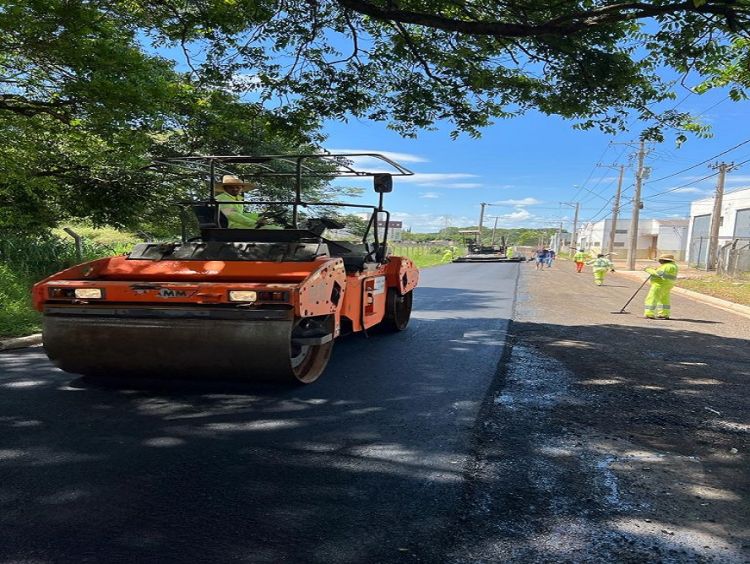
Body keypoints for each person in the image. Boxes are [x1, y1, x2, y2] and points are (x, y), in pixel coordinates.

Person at [214, 175, 281, 229]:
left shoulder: (236, 199)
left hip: (238, 225)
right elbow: (232, 215)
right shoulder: (222, 199)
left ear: (241, 189)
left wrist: (260, 215)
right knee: (275, 229)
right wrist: (254, 222)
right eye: (231, 187)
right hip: (230, 227)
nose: (235, 189)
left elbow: (240, 215)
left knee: (276, 227)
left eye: (238, 187)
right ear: (225, 188)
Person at [644, 254, 679, 319]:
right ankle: (664, 313)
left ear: (664, 260)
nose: (659, 261)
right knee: (664, 300)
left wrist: (648, 269)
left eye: (660, 259)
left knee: (652, 298)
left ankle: (649, 313)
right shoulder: (673, 266)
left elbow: (658, 274)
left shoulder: (666, 266)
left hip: (659, 284)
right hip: (667, 285)